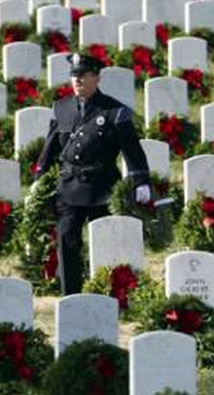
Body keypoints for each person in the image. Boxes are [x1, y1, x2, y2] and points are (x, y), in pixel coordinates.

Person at [33, 53, 152, 295]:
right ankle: (72, 295)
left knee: (107, 244)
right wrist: (39, 177)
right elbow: (51, 146)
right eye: (74, 76)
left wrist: (141, 181)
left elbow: (132, 150)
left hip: (103, 188)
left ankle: (109, 294)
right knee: (67, 241)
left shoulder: (114, 111)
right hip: (69, 186)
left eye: (83, 76)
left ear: (97, 78)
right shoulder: (62, 108)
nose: (77, 81)